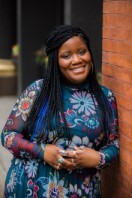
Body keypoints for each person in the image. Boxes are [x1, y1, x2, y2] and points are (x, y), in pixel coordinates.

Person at [1, 25, 119, 198]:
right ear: (55, 60)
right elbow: (8, 136)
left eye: (82, 51)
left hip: (82, 190)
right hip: (31, 186)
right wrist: (42, 151)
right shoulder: (37, 91)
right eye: (66, 55)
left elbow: (114, 144)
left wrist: (98, 158)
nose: (77, 60)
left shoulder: (105, 97)